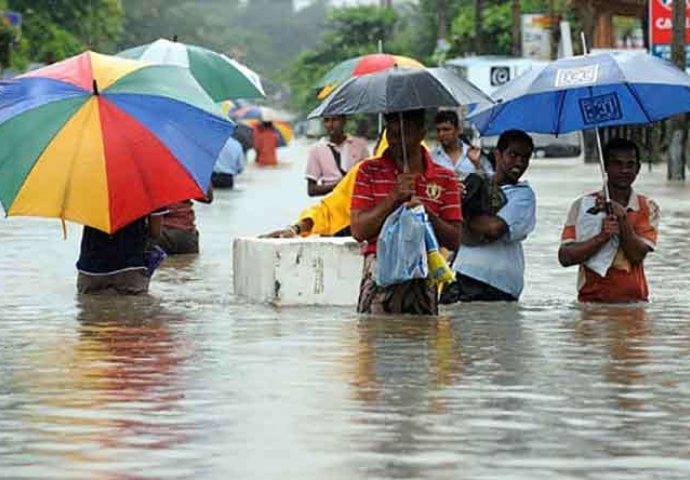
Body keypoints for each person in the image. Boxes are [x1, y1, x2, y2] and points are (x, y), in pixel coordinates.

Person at [350, 109, 462, 315]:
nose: (395, 140)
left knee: (422, 337)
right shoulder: (368, 171)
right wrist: (393, 198)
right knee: (375, 337)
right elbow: (358, 231)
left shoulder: (445, 178)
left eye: (404, 133)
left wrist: (425, 211)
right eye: (391, 134)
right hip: (379, 267)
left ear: (421, 133)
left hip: (423, 272)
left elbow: (454, 240)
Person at [558, 138, 660, 303]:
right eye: (617, 164)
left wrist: (622, 218)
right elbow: (565, 257)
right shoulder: (583, 205)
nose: (624, 170)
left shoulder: (647, 207)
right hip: (591, 301)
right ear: (605, 166)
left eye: (630, 164)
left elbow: (637, 255)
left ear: (638, 168)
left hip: (634, 303)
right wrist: (602, 237)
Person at [440, 129, 536, 303]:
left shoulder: (523, 194)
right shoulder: (475, 184)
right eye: (513, 155)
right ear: (498, 155)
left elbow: (494, 228)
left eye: (525, 157)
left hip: (499, 286)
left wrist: (461, 215)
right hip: (462, 276)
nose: (520, 162)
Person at [76, 211, 167, 295]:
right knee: (135, 309)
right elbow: (155, 232)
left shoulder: (90, 194)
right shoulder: (147, 193)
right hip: (130, 267)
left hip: (90, 269)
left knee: (90, 308)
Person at [305, 115, 369, 197]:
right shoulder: (316, 149)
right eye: (327, 120)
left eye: (335, 120)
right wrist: (341, 184)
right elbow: (311, 190)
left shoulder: (359, 145)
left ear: (344, 121)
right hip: (331, 203)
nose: (331, 124)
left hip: (356, 201)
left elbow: (369, 178)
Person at [431, 110, 492, 179]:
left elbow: (490, 181)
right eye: (438, 130)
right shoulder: (432, 158)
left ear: (458, 130)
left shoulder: (475, 154)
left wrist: (477, 164)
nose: (441, 134)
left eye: (446, 129)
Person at [157, 187, 213, 255]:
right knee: (188, 262)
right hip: (186, 233)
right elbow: (208, 198)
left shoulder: (153, 180)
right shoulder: (185, 179)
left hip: (161, 233)